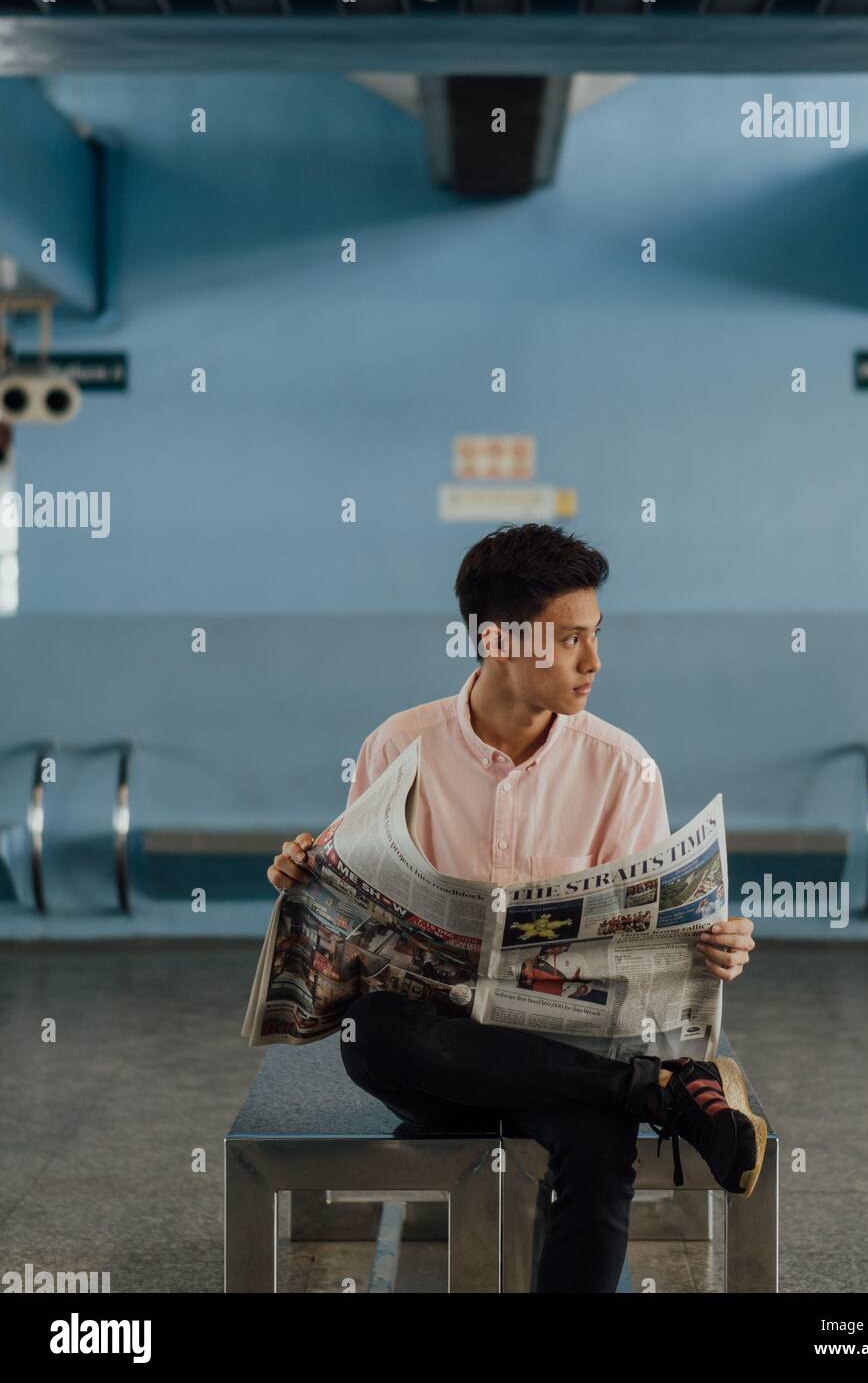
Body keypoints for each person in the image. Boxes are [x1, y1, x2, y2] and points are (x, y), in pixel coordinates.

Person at [267, 522, 762, 1294]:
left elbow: (649, 944)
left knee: (599, 1153)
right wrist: (306, 876)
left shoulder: (621, 769)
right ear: (496, 639)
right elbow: (359, 909)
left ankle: (638, 1089)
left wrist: (709, 947)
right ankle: (660, 1092)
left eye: (595, 637)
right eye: (568, 640)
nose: (592, 662)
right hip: (431, 1055)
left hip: (565, 1052)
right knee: (378, 1026)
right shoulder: (397, 747)